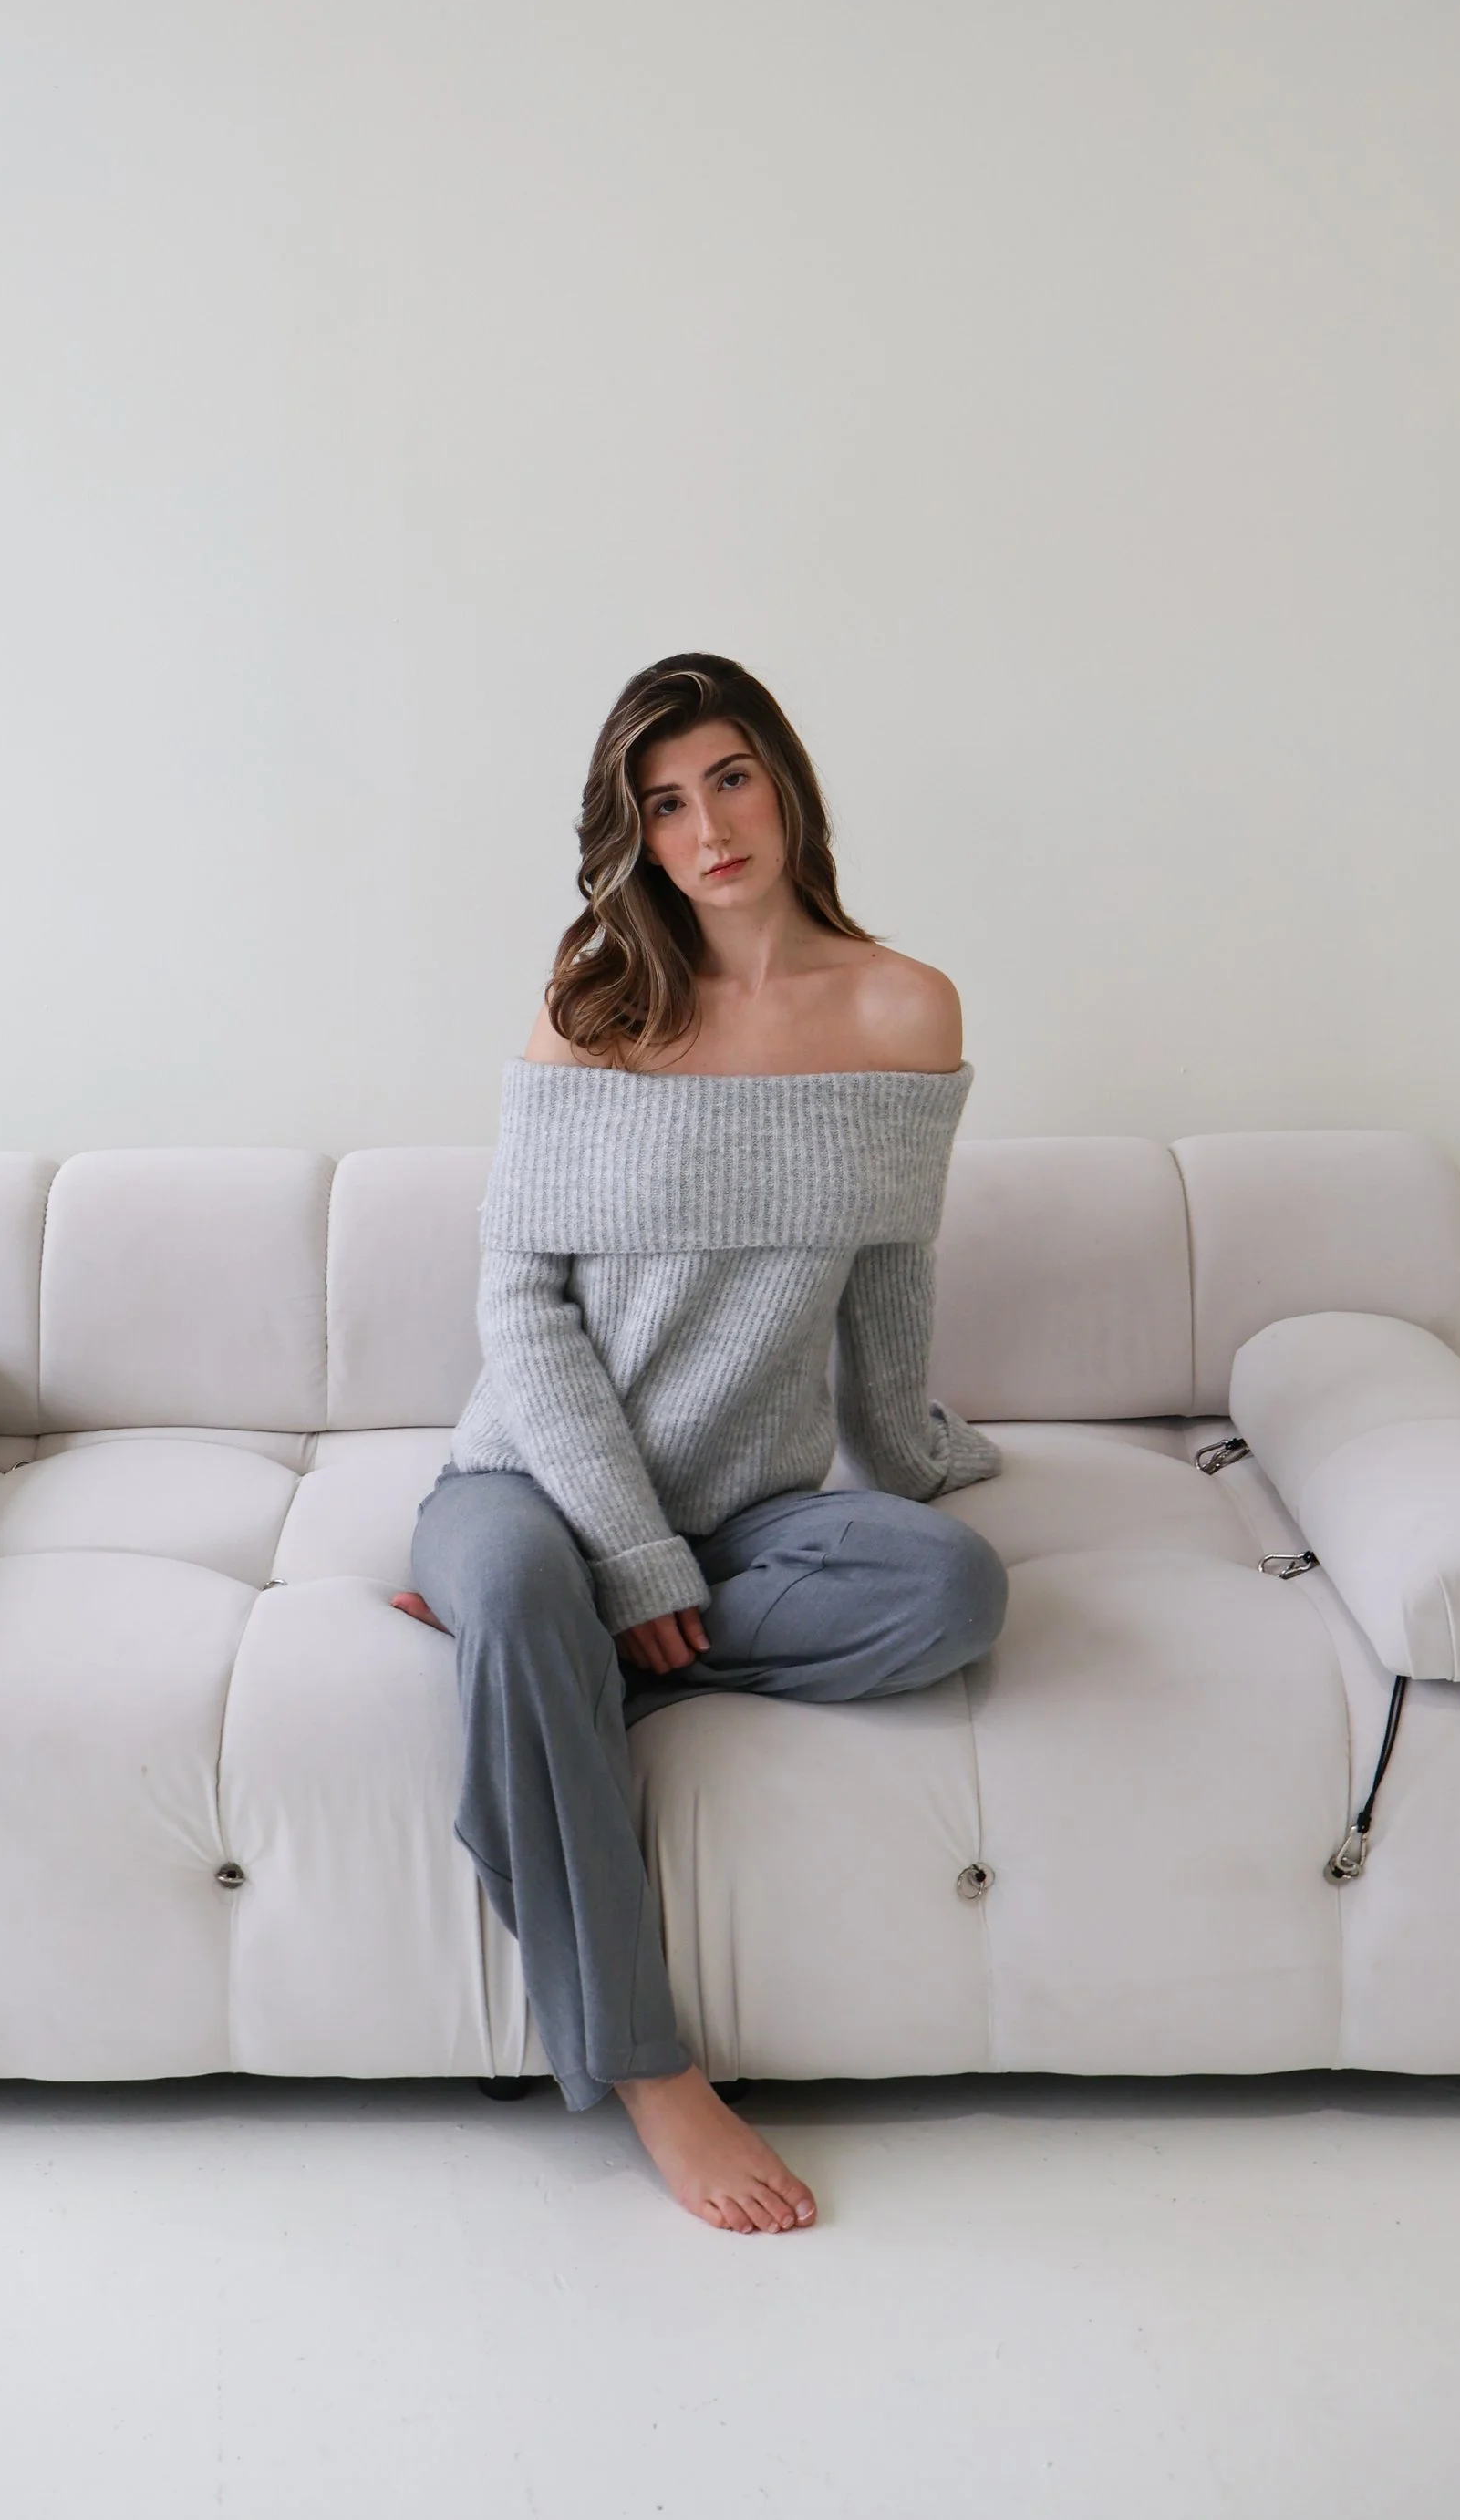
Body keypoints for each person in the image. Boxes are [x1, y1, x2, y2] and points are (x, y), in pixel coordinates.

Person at [393, 652, 1007, 2234]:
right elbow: (520, 1307)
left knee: (953, 1591)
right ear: (634, 832)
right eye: (663, 803)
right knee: (528, 1585)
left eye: (729, 777)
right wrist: (625, 1552)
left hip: (742, 1523)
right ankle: (656, 2079)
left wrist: (924, 1455)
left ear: (786, 780)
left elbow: (888, 1288)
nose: (707, 826)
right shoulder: (595, 996)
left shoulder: (902, 1008)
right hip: (525, 1488)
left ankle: (542, 1659)